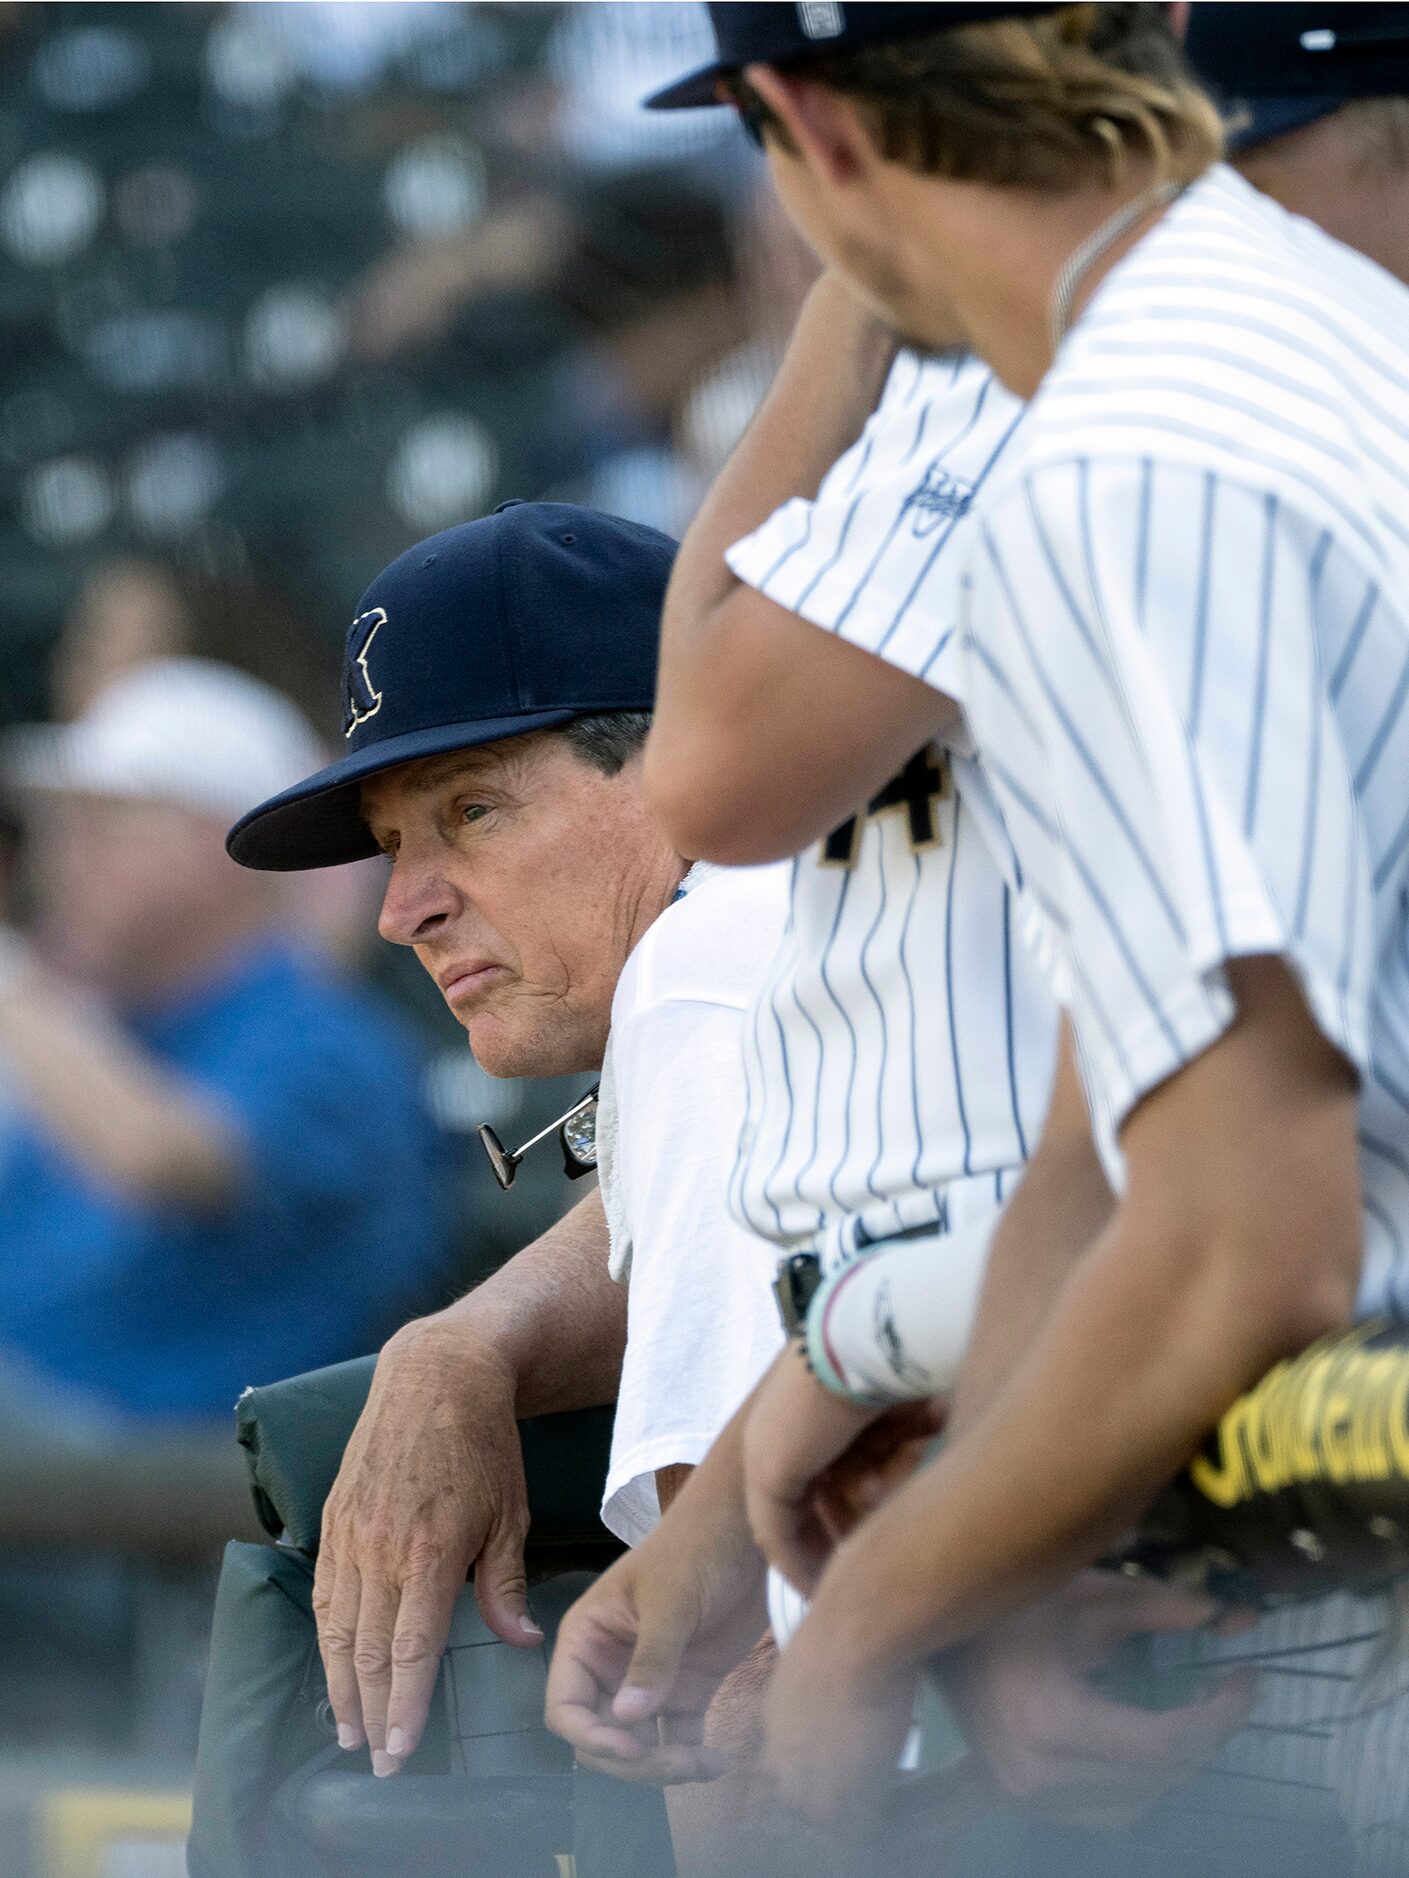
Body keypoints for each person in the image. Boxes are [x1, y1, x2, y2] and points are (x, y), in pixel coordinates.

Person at [548, 3, 1409, 1869]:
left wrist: (885, 1609)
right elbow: (1107, 1148)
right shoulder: (1214, 378)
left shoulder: (1146, 446)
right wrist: (943, 1470)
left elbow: (1248, 1248)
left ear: (804, 126)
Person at [224, 502, 793, 1878]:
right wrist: (467, 1341)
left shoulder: (707, 969)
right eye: (391, 838)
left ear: (681, 756)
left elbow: (716, 1682)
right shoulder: (815, 922)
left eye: (470, 809)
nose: (400, 906)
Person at [0, 656, 448, 1420]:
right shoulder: (119, 1023)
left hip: (179, 1497)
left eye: (102, 824)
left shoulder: (324, 1041)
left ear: (217, 848)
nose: (65, 856)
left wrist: (15, 991)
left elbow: (167, 1157)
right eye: (61, 826)